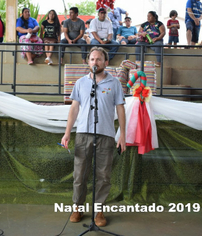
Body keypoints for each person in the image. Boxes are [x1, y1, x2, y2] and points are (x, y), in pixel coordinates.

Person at [61, 47, 126, 227]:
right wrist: (67, 133)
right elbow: (74, 108)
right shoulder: (81, 83)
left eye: (98, 59)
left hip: (105, 135)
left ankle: (99, 211)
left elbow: (120, 108)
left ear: (106, 62)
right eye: (92, 59)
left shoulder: (114, 83)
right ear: (88, 62)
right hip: (83, 134)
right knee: (80, 173)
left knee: (103, 175)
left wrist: (122, 135)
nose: (95, 62)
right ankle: (77, 207)